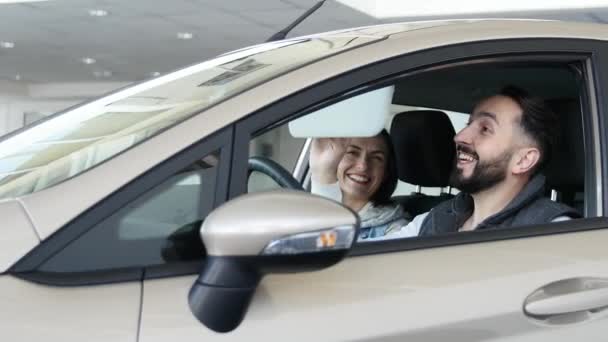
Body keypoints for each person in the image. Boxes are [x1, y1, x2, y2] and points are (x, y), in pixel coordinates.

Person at [392, 86, 580, 238]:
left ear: (523, 160)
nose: (459, 137)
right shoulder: (434, 220)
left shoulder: (553, 233)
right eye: (468, 124)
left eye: (485, 129)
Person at [310, 130, 410, 241]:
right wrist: (323, 174)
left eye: (376, 158)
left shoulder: (397, 230)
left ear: (386, 172)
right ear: (335, 158)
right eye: (352, 153)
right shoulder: (303, 212)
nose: (363, 166)